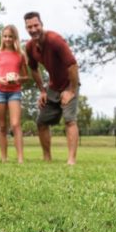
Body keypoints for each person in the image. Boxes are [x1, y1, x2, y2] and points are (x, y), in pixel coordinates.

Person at [24, 11, 80, 165]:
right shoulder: (29, 47)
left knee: (70, 120)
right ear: (26, 28)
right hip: (53, 86)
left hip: (69, 84)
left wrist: (71, 91)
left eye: (36, 25)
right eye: (29, 27)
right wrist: (42, 91)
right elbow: (33, 69)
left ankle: (71, 160)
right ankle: (47, 157)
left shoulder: (55, 40)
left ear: (41, 24)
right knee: (41, 121)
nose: (33, 29)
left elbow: (73, 65)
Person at [0, 25, 28, 163]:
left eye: (10, 36)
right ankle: (4, 158)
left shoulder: (20, 55)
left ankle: (20, 158)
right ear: (2, 37)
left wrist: (18, 79)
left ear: (15, 37)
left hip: (14, 92)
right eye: (5, 36)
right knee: (2, 126)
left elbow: (26, 77)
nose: (7, 39)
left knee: (15, 124)